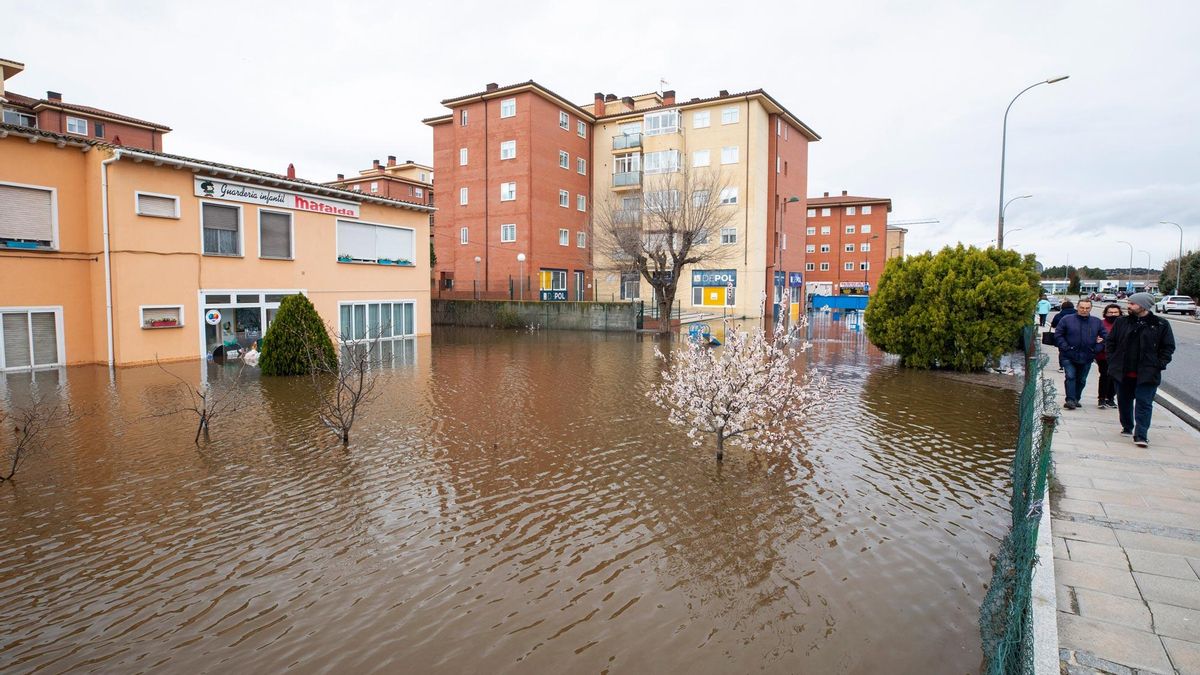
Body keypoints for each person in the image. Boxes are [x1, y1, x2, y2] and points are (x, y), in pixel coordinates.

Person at [1105, 292, 1175, 447]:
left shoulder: (1160, 324)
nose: (1128, 306)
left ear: (1142, 305)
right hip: (1122, 372)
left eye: (1132, 304)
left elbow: (1168, 347)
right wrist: (1112, 361)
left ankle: (1141, 434)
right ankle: (1127, 426)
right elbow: (1110, 343)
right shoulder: (1121, 322)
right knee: (1124, 402)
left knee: (1144, 403)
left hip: (1147, 373)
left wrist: (1159, 364)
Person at [1054, 298, 1106, 410]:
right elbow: (1058, 334)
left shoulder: (1096, 322)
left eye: (1087, 308)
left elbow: (1105, 338)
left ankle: (1076, 398)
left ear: (1091, 308)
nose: (1084, 310)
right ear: (1077, 307)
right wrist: (1065, 347)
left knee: (1081, 379)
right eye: (1082, 307)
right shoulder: (1066, 320)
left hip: (1087, 356)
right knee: (1071, 376)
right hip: (1068, 354)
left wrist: (1096, 349)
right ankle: (1070, 399)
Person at [1094, 304, 1121, 408]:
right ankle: (1101, 398)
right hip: (1103, 356)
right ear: (1105, 313)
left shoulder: (1123, 324)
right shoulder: (1101, 324)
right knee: (1105, 376)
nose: (1113, 314)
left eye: (1115, 313)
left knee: (1115, 377)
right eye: (1110, 312)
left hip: (1119, 357)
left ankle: (1110, 398)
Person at [1050, 299, 1075, 372]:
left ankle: (1062, 367)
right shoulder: (1077, 314)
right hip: (1076, 336)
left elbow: (1053, 324)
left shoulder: (1059, 315)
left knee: (1062, 352)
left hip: (1062, 337)